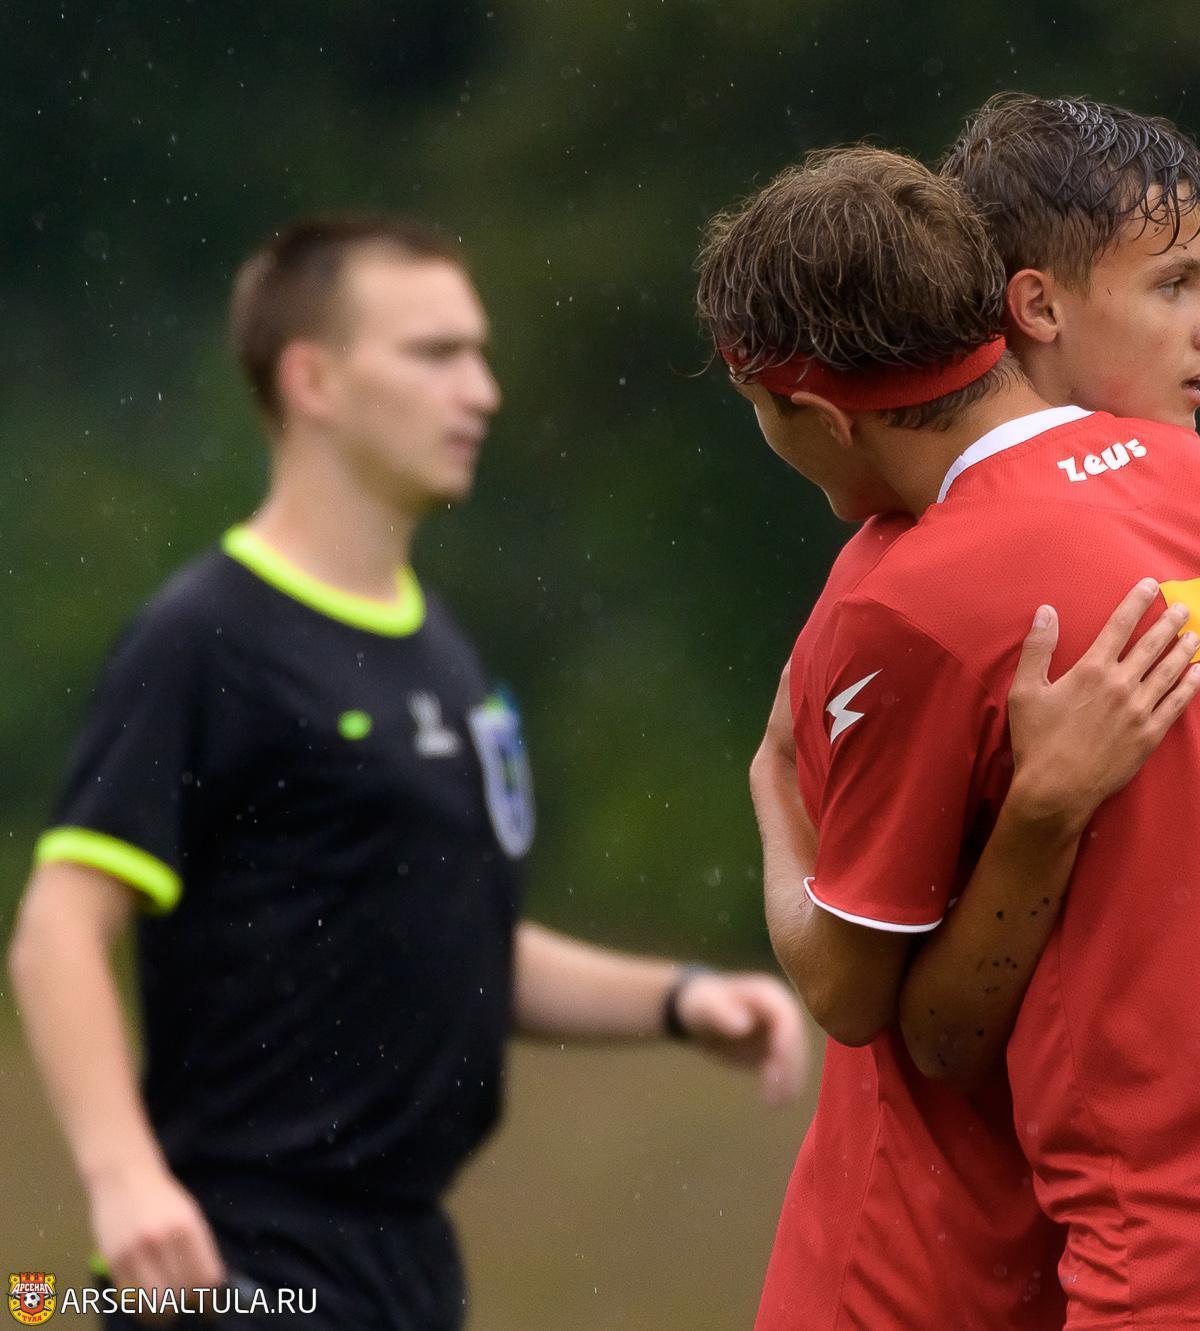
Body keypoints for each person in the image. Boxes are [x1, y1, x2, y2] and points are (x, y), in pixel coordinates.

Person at [699, 146, 1200, 1331]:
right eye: (1174, 284)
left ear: (812, 414)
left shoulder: (906, 593)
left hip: (1197, 1261)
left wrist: (774, 782)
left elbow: (877, 1005)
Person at [6, 215, 809, 1330]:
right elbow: (57, 928)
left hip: (405, 1263)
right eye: (436, 353)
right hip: (233, 1263)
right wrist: (124, 1177)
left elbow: (456, 933)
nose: (481, 390)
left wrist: (676, 1001)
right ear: (312, 380)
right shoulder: (207, 636)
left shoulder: (439, 648)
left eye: (479, 353)